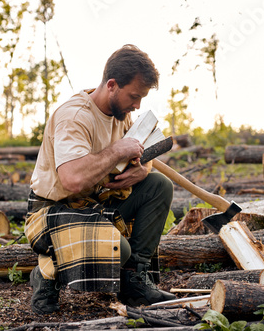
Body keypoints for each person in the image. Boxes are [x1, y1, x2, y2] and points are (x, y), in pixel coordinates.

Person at [24, 44, 176, 315]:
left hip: (96, 204)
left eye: (141, 98)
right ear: (112, 85)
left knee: (158, 185)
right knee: (120, 249)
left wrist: (143, 169)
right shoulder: (75, 116)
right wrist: (117, 150)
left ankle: (133, 282)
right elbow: (72, 180)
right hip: (53, 210)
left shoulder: (122, 115)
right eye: (133, 96)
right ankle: (45, 274)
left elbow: (141, 149)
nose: (137, 105)